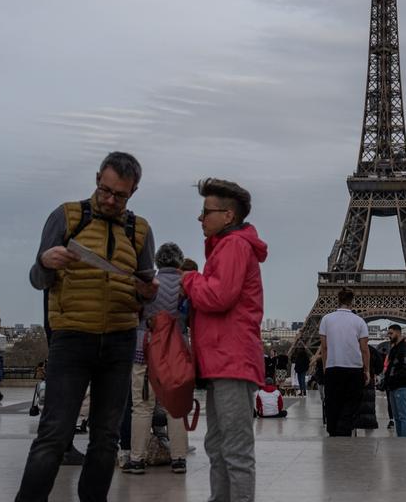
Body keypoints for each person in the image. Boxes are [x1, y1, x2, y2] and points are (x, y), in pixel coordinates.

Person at [15, 152, 158, 502]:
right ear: (97, 178)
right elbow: (38, 279)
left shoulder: (140, 231)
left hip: (120, 341)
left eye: (119, 195)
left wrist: (145, 293)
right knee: (54, 433)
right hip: (72, 338)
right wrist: (45, 261)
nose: (109, 199)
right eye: (104, 189)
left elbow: (145, 297)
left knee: (106, 438)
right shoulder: (67, 216)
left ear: (133, 191)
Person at [180, 177, 267, 502]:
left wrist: (190, 279)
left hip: (232, 361)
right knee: (218, 446)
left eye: (206, 211)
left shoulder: (233, 246)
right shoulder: (227, 246)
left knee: (233, 450)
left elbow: (219, 296)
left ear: (228, 215)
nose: (201, 218)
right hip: (223, 361)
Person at [123, 241, 191, 475]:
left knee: (141, 407)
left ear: (157, 262)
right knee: (176, 408)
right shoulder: (186, 284)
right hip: (175, 353)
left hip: (145, 350)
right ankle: (179, 458)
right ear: (179, 262)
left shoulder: (148, 284)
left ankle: (136, 459)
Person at [319, 288, 370, 437]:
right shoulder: (359, 321)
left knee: (332, 402)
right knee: (352, 402)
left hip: (333, 368)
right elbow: (365, 349)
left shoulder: (326, 319)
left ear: (338, 300)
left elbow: (324, 347)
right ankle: (345, 429)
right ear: (351, 301)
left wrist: (325, 367)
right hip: (354, 369)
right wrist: (366, 370)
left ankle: (333, 430)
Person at [382, 324, 406, 436]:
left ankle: (403, 442)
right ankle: (400, 441)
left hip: (401, 386)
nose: (388, 335)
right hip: (393, 386)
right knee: (397, 417)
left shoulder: (404, 348)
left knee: (403, 416)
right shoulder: (395, 348)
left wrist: (392, 377)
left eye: (391, 333)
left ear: (398, 332)